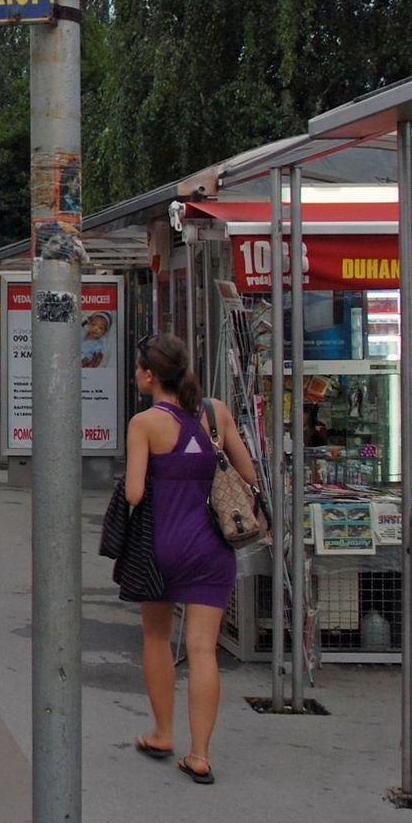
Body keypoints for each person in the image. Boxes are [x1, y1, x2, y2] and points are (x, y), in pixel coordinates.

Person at [125, 333, 260, 785]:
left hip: (161, 544)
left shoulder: (144, 423)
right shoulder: (215, 413)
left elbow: (134, 493)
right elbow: (248, 474)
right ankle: (200, 755)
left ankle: (164, 732)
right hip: (211, 547)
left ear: (148, 373)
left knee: (157, 636)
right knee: (203, 649)